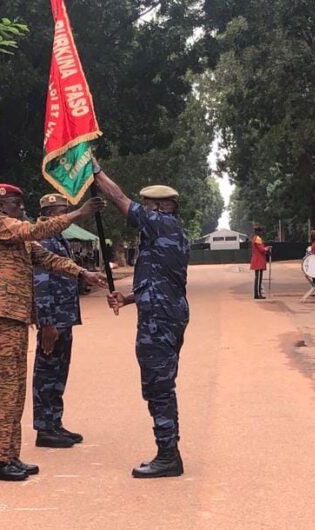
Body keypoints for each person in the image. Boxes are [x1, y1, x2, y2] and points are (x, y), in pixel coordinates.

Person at [0, 183, 105, 482]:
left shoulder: (18, 236)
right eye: (16, 204)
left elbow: (49, 259)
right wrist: (79, 213)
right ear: (0, 206)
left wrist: (83, 273)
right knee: (4, 392)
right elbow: (33, 232)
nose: (22, 209)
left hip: (15, 318)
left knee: (17, 390)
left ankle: (10, 455)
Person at [96, 164, 190, 479]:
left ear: (159, 207)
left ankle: (168, 456)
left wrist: (95, 172)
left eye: (147, 205)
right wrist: (127, 298)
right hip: (165, 314)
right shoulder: (168, 233)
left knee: (159, 386)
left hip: (160, 321)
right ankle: (168, 451)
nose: (143, 210)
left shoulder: (161, 224)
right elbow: (160, 283)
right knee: (159, 385)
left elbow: (119, 198)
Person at [32, 193, 86, 449]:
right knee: (46, 373)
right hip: (53, 320)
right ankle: (44, 428)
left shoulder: (57, 237)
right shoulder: (41, 237)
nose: (66, 216)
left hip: (64, 317)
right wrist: (47, 322)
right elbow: (41, 283)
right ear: (53, 213)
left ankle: (54, 423)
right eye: (64, 211)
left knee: (58, 372)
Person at [250, 226, 271, 299]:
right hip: (259, 259)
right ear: (258, 232)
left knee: (257, 277)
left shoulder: (255, 238)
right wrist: (267, 248)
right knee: (259, 277)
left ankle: (257, 293)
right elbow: (261, 249)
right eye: (260, 231)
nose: (261, 233)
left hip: (256, 259)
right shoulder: (258, 238)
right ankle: (258, 294)